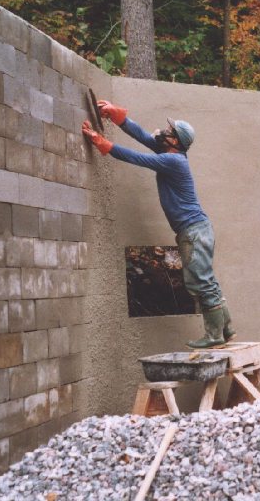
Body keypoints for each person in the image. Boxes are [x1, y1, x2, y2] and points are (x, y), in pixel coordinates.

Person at [82, 100, 235, 349]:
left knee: (199, 282)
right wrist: (119, 118)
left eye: (170, 131)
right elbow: (142, 137)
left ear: (176, 141)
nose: (164, 132)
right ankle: (227, 330)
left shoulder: (174, 162)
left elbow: (136, 157)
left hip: (194, 232)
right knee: (206, 280)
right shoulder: (169, 154)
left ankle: (215, 335)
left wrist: (105, 144)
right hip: (196, 230)